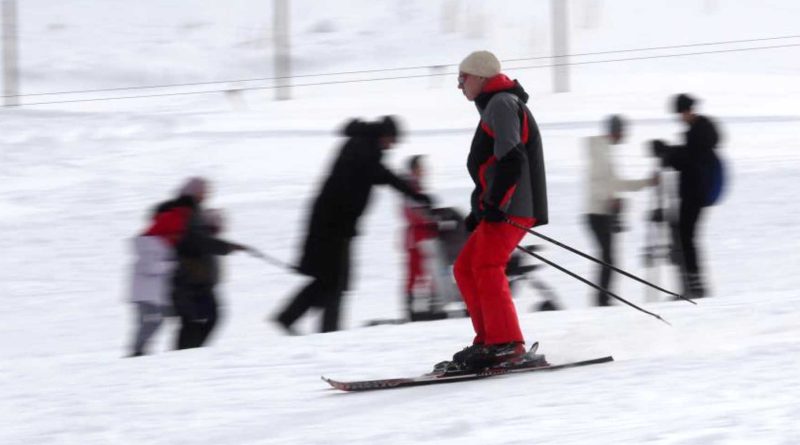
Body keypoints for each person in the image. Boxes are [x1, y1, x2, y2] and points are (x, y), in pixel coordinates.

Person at [274, 116, 432, 334]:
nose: (392, 146)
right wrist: (414, 193)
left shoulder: (363, 146)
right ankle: (323, 330)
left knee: (330, 281)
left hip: (336, 226)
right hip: (331, 226)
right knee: (335, 282)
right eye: (392, 141)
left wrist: (412, 193)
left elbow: (380, 175)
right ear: (385, 135)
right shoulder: (361, 148)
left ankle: (295, 320)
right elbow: (381, 175)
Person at [447, 50, 548, 371]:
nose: (460, 85)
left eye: (462, 78)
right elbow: (490, 165)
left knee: (487, 266)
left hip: (514, 205)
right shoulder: (495, 105)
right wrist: (480, 207)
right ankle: (490, 340)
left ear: (479, 76)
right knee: (465, 267)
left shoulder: (502, 104)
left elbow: (511, 159)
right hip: (503, 204)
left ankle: (506, 344)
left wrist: (494, 204)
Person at [651, 94, 722, 298]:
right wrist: (670, 153)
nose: (681, 117)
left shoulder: (698, 133)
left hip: (695, 193)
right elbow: (689, 156)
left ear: (688, 110)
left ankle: (694, 286)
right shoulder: (701, 131)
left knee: (685, 237)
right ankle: (693, 285)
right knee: (685, 237)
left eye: (682, 113)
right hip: (695, 192)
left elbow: (690, 161)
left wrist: (668, 154)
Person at [127, 178, 205, 357]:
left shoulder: (159, 244)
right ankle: (137, 352)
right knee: (151, 322)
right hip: (144, 293)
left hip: (152, 292)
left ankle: (139, 351)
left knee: (156, 321)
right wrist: (170, 265)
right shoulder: (149, 244)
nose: (176, 237)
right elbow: (149, 267)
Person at [584, 115, 656, 306]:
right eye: (622, 132)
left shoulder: (604, 150)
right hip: (597, 213)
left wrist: (646, 182)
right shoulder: (601, 151)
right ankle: (602, 300)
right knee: (608, 258)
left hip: (600, 212)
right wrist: (611, 198)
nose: (623, 136)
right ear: (616, 131)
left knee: (608, 258)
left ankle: (602, 298)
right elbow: (600, 182)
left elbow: (615, 182)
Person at [171, 179, 248, 349]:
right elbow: (199, 242)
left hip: (198, 282)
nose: (205, 195)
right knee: (195, 321)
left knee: (198, 321)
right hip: (191, 281)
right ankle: (183, 354)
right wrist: (226, 246)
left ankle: (187, 352)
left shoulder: (193, 213)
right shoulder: (189, 213)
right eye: (202, 191)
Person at [401, 155, 440, 321]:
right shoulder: (411, 187)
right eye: (421, 167)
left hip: (420, 236)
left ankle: (424, 307)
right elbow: (411, 212)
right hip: (418, 237)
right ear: (414, 169)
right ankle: (420, 309)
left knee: (424, 271)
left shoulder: (414, 187)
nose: (424, 170)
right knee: (419, 271)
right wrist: (431, 219)